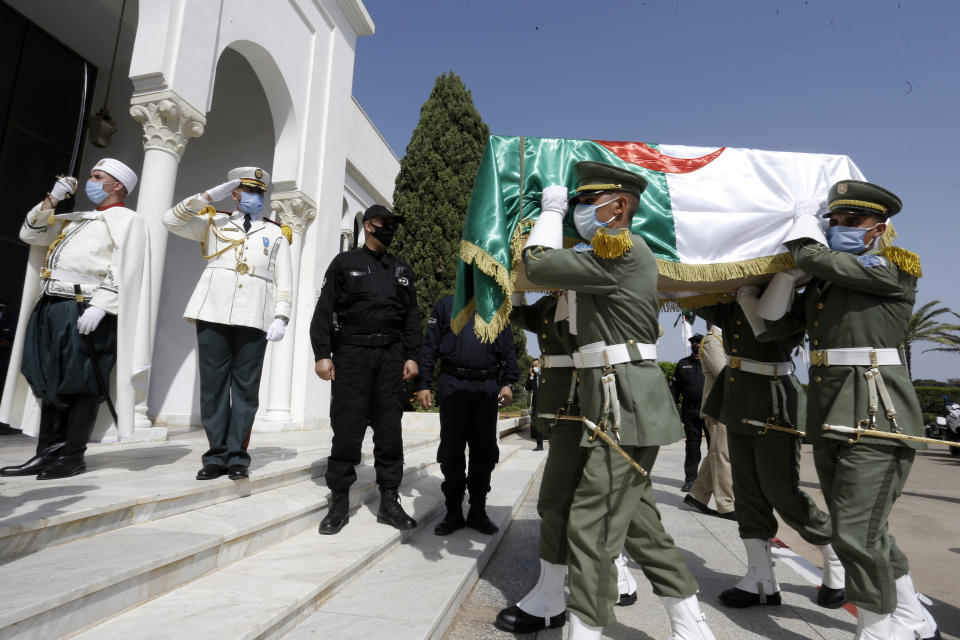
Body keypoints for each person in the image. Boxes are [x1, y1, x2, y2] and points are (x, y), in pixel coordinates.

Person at [522, 161, 714, 639]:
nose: (580, 213)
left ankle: (585, 628)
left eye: (588, 203)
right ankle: (691, 623)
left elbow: (539, 262)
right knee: (640, 523)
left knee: (590, 523)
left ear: (620, 205)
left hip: (621, 400)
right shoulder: (605, 254)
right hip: (610, 398)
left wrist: (549, 210)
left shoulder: (621, 250)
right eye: (578, 203)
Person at [781, 180, 938, 640]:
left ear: (879, 228)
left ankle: (878, 628)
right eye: (834, 220)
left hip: (876, 414)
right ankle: (911, 615)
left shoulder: (894, 266)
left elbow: (810, 255)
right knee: (869, 528)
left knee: (852, 532)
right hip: (831, 412)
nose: (840, 228)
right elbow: (777, 328)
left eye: (853, 221)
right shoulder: (828, 283)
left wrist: (802, 228)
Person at [495, 291, 638, 634]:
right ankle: (552, 593)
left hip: (591, 409)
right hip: (562, 412)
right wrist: (513, 277)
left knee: (597, 499)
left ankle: (612, 570)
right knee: (556, 501)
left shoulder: (592, 297)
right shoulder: (547, 305)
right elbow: (514, 313)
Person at [692, 297, 844, 610]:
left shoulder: (789, 299)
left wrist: (759, 291)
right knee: (747, 492)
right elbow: (698, 297)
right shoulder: (730, 299)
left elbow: (772, 332)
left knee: (781, 490)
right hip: (737, 397)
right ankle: (760, 576)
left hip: (774, 398)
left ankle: (836, 560)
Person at [1, 159, 148, 478]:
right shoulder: (77, 219)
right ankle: (46, 453)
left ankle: (72, 455)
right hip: (52, 304)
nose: (90, 182)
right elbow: (31, 234)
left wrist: (103, 305)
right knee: (47, 379)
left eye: (98, 177)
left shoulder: (128, 220)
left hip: (85, 307)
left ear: (117, 186)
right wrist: (53, 198)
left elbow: (127, 265)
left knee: (81, 382)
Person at [163, 167, 293, 481]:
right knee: (213, 387)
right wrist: (209, 196)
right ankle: (215, 456)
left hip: (255, 316)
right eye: (249, 191)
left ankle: (237, 456)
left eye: (260, 193)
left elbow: (284, 277)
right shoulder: (213, 221)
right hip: (213, 311)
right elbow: (171, 220)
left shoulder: (275, 232)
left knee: (246, 389)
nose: (255, 198)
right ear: (234, 194)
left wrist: (281, 316)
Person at [310, 204, 421, 535]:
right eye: (384, 223)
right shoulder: (345, 263)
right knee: (347, 426)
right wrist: (322, 353)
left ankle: (389, 500)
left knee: (390, 430)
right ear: (369, 225)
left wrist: (412, 355)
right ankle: (340, 502)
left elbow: (411, 316)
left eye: (392, 223)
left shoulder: (401, 267)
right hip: (352, 354)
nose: (390, 227)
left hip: (390, 355)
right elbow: (324, 309)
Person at [415, 294, 518, 536]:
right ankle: (453, 511)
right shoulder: (445, 305)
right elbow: (429, 346)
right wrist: (423, 384)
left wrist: (509, 383)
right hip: (452, 382)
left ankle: (478, 510)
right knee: (451, 449)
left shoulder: (496, 308)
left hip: (486, 385)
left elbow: (508, 348)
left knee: (484, 450)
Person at [682, 324, 735, 520]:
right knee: (723, 455)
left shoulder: (726, 337)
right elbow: (724, 374)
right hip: (719, 405)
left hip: (728, 405)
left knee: (718, 453)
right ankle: (726, 504)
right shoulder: (713, 339)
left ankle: (697, 495)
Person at [671, 334, 709, 492]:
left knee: (715, 448)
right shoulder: (683, 363)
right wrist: (672, 411)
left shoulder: (712, 362)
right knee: (692, 446)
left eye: (699, 343)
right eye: (693, 342)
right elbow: (674, 390)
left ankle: (714, 481)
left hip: (710, 411)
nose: (696, 345)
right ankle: (691, 480)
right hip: (690, 411)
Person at [526, 357, 543, 449]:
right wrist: (531, 376)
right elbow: (528, 388)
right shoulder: (531, 376)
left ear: (540, 365)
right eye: (532, 366)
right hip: (536, 403)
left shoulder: (544, 375)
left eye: (536, 365)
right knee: (538, 424)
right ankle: (539, 446)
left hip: (545, 402)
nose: (534, 367)